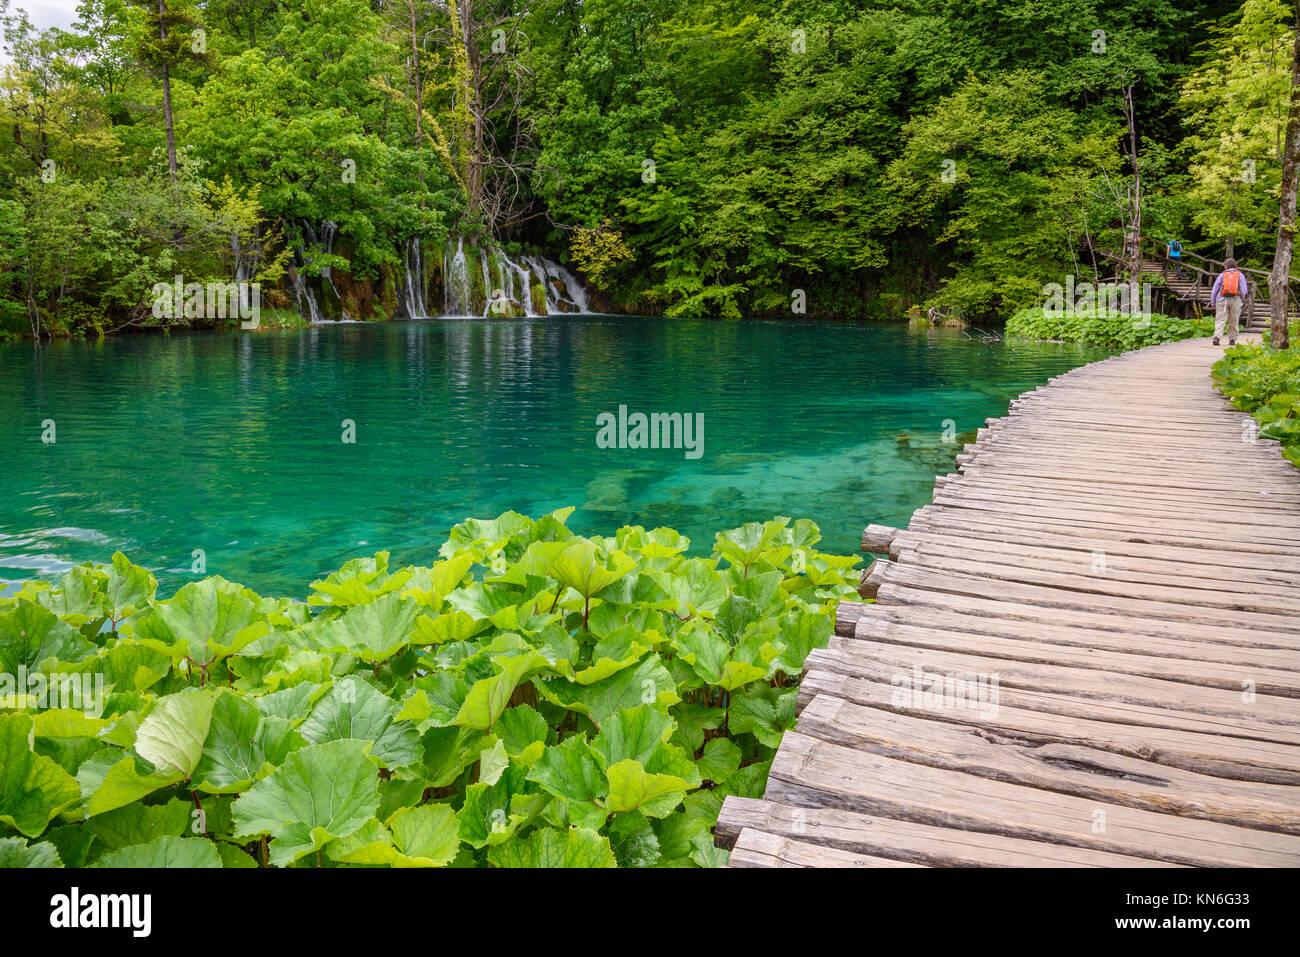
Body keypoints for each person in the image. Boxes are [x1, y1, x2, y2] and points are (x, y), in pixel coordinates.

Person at [1209, 258, 1249, 347]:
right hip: (1236, 299)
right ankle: (1232, 339)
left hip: (1222, 299)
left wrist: (1213, 302)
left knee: (1220, 319)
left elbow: (1215, 289)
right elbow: (1244, 289)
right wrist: (1241, 298)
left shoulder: (1222, 275)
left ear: (1226, 266)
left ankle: (1217, 337)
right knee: (1234, 319)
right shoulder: (1240, 275)